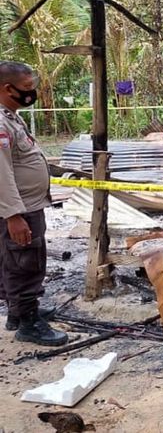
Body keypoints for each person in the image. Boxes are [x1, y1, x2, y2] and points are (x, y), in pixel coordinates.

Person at [0, 61, 67, 346]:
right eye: (27, 89)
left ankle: (18, 312)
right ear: (7, 88)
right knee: (26, 262)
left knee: (13, 259)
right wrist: (14, 216)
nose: (32, 93)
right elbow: (1, 173)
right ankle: (28, 322)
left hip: (26, 203)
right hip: (19, 208)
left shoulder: (11, 116)